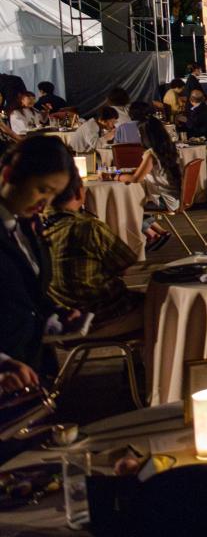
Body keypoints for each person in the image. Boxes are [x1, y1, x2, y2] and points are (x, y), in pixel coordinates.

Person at [0, 135, 74, 385]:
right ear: (10, 174)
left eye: (54, 195)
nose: (46, 204)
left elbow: (27, 292)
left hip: (32, 367)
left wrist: (55, 315)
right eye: (42, 189)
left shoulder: (24, 225)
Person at [43, 166, 140, 321]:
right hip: (103, 313)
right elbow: (125, 265)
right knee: (163, 305)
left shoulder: (34, 228)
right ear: (79, 192)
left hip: (56, 318)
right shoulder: (89, 228)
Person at [128, 116, 182, 249]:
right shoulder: (170, 148)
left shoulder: (151, 153)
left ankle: (151, 234)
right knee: (133, 203)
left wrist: (117, 177)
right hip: (175, 197)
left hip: (164, 200)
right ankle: (160, 232)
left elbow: (136, 179)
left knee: (127, 207)